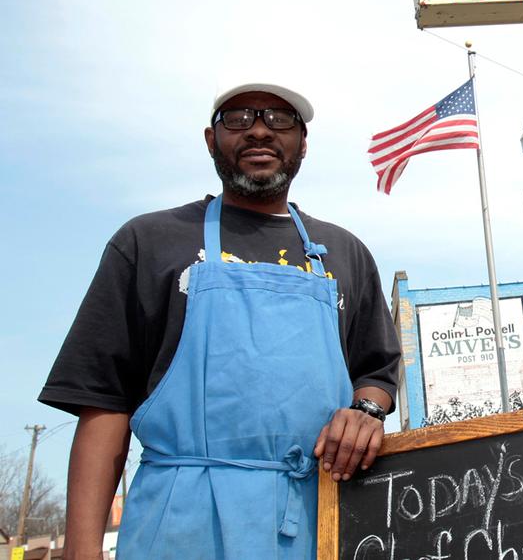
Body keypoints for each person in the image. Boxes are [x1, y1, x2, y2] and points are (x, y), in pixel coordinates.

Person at [41, 81, 402, 559]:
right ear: (211, 140)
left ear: (303, 144)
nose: (259, 131)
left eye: (280, 119)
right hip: (179, 526)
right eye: (238, 118)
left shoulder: (346, 252)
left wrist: (365, 412)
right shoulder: (147, 242)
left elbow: (376, 372)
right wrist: (81, 551)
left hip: (319, 520)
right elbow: (103, 402)